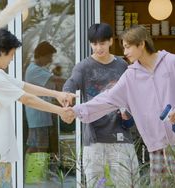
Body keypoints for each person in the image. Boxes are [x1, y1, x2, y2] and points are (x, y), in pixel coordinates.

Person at [68, 25, 175, 187]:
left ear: (141, 44)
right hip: (157, 146)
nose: (125, 52)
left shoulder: (172, 61)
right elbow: (107, 99)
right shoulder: (131, 75)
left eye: (127, 47)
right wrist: (76, 111)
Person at [0, 29, 74, 187]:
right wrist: (60, 111)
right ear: (1, 51)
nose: (12, 60)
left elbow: (24, 87)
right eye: (11, 54)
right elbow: (27, 98)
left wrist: (56, 94)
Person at [63, 23, 139, 188]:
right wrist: (67, 98)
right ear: (90, 44)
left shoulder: (122, 65)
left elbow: (132, 96)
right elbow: (70, 84)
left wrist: (129, 114)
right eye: (94, 43)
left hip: (121, 136)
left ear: (111, 41)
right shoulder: (83, 67)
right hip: (94, 138)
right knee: (94, 185)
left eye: (102, 43)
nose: (98, 48)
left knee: (127, 183)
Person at [24, 41, 59, 183]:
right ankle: (35, 177)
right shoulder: (34, 70)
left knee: (36, 145)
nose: (50, 60)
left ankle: (33, 175)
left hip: (42, 115)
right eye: (49, 56)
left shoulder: (41, 68)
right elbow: (55, 80)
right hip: (37, 116)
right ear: (41, 55)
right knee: (39, 146)